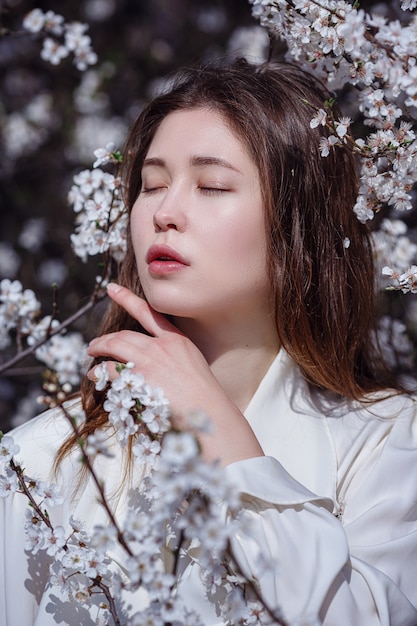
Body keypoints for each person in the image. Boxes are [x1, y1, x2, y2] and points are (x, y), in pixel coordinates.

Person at [1, 58, 417, 626]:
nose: (164, 213)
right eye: (151, 185)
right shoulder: (39, 459)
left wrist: (219, 431)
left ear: (299, 224)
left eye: (212, 185)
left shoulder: (385, 441)